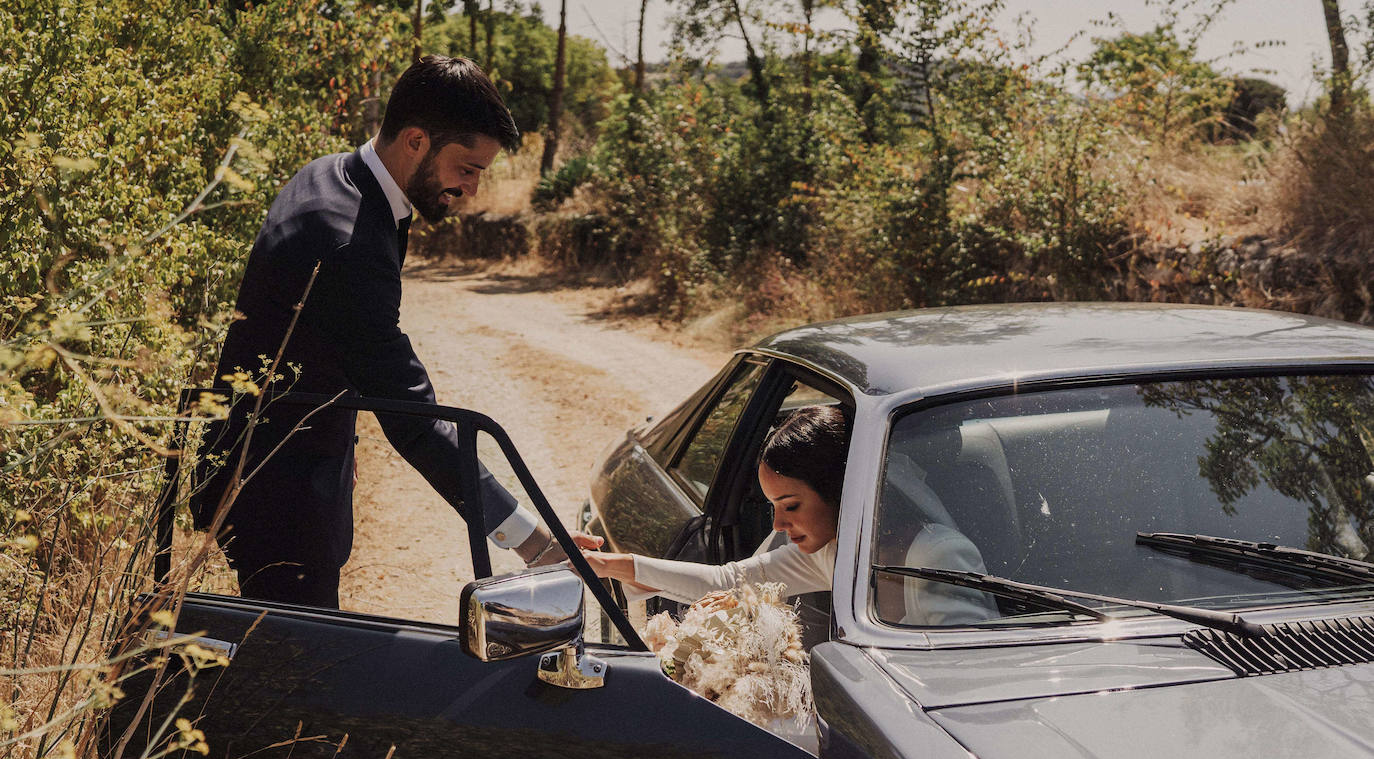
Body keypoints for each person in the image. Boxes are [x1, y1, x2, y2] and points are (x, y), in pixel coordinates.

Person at [192, 56, 583, 608]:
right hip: (281, 494)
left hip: (286, 461)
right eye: (466, 168)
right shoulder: (348, 240)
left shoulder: (331, 174)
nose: (471, 189)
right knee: (295, 674)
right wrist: (538, 545)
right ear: (417, 141)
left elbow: (324, 343)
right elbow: (416, 421)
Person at [582, 404, 998, 632]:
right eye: (773, 508)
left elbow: (967, 676)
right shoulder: (829, 553)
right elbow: (728, 581)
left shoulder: (940, 555)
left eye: (791, 505)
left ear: (841, 490)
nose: (778, 526)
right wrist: (606, 565)